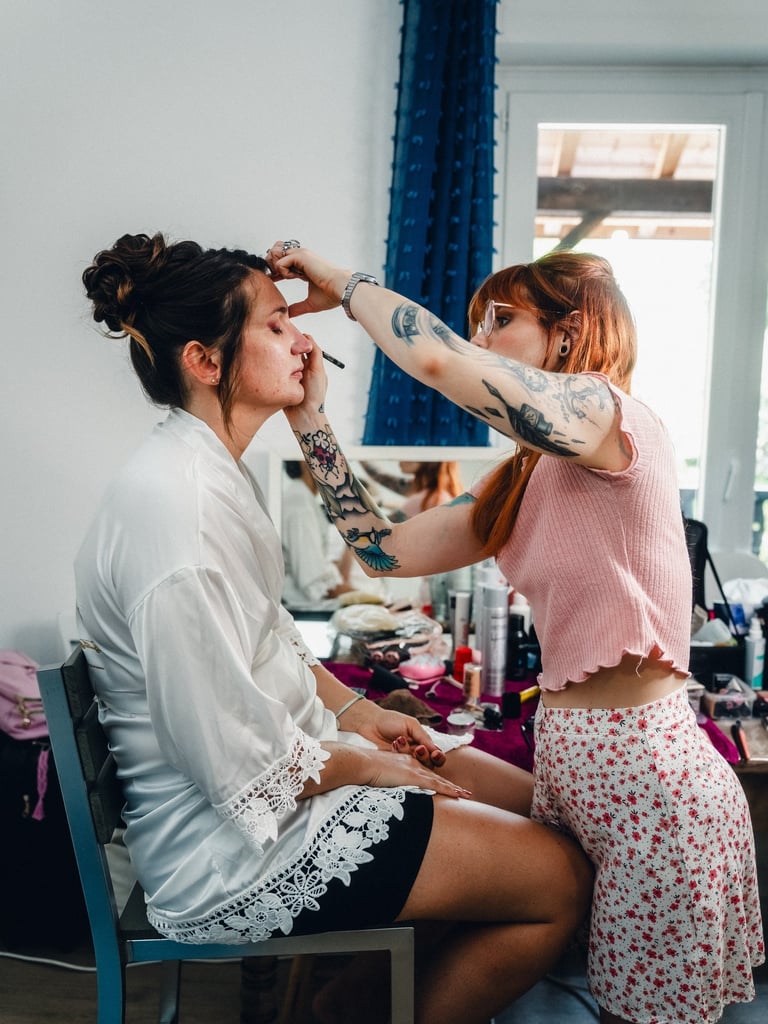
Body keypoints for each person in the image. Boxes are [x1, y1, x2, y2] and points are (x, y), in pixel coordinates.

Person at [75, 232, 592, 1024]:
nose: (303, 341)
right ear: (204, 361)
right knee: (561, 879)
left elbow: (272, 638)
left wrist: (361, 713)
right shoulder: (179, 514)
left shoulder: (208, 471)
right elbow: (235, 759)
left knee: (536, 809)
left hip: (272, 783)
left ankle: (347, 1005)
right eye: (276, 324)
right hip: (234, 845)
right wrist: (368, 766)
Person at [267, 241, 765, 1024]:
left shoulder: (608, 417)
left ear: (568, 334)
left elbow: (439, 361)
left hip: (653, 790)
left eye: (502, 319)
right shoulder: (528, 472)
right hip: (580, 770)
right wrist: (310, 418)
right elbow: (382, 550)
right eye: (479, 322)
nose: (483, 337)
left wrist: (344, 284)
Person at [281, 459, 355, 609]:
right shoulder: (300, 503)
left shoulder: (303, 498)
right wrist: (372, 601)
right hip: (300, 607)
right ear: (305, 462)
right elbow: (313, 579)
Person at [361, 459, 464, 518]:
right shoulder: (438, 493)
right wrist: (380, 503)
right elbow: (378, 475)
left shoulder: (430, 498)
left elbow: (382, 530)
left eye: (409, 450)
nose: (400, 458)